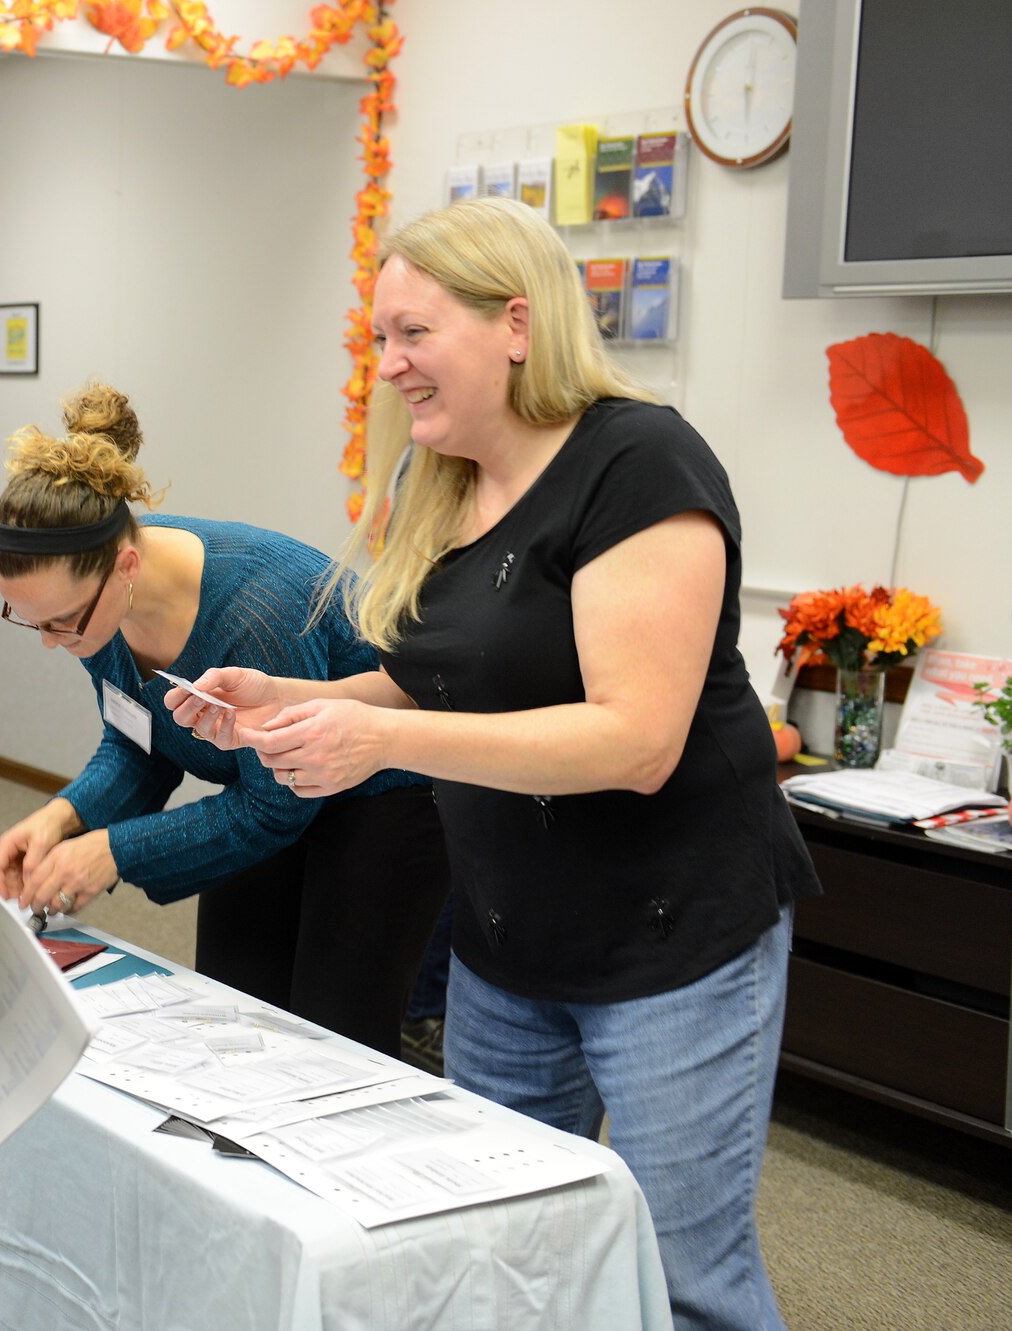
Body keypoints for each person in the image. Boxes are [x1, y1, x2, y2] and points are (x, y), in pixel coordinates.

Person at [168, 195, 817, 1331]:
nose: (387, 367)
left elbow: (634, 737)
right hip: (507, 939)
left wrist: (382, 739)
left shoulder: (637, 461)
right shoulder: (446, 481)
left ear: (515, 323)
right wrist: (302, 699)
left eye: (411, 333)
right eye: (377, 338)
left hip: (673, 937)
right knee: (500, 1249)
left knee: (683, 1284)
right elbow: (437, 677)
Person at [0, 384, 449, 1059]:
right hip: (269, 788)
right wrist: (62, 817)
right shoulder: (97, 606)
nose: (51, 642)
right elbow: (138, 743)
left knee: (334, 1036)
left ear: (126, 567)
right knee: (234, 1010)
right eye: (29, 621)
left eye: (61, 622)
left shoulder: (257, 613)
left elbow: (273, 812)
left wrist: (112, 850)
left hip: (384, 795)